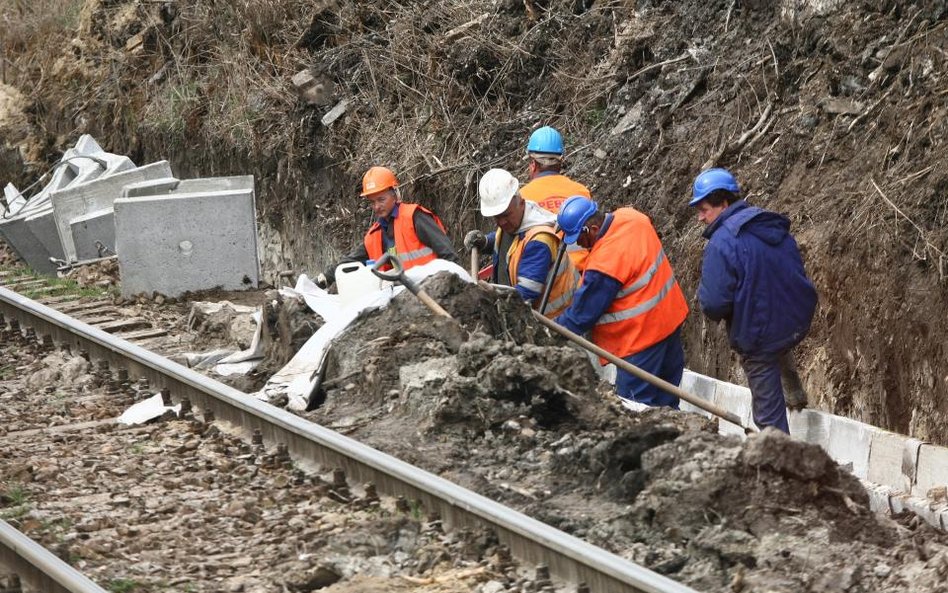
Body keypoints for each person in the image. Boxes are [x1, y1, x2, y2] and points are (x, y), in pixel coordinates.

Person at [690, 167, 817, 433]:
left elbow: (714, 303)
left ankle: (781, 459)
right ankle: (793, 391)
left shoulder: (722, 243)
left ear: (723, 202)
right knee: (774, 336)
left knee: (767, 410)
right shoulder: (769, 223)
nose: (700, 218)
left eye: (703, 210)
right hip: (795, 318)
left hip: (761, 335)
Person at [554, 196, 689, 408]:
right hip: (669, 325)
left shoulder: (605, 262)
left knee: (635, 409)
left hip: (639, 342)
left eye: (579, 238)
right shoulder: (633, 218)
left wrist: (552, 331)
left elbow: (581, 315)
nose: (578, 244)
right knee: (667, 404)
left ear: (593, 228)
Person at [463, 168, 578, 318]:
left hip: (555, 322)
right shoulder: (515, 222)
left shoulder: (539, 241)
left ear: (521, 203)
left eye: (505, 215)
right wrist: (485, 242)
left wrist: (490, 301)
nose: (501, 222)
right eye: (496, 218)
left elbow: (525, 293)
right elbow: (507, 242)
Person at [317, 166, 458, 287]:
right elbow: (350, 262)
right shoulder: (376, 234)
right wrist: (323, 278)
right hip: (404, 295)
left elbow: (448, 255)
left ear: (395, 194)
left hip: (432, 287)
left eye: (381, 199)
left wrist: (450, 286)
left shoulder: (415, 217)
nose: (377, 206)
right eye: (372, 202)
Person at [521, 126, 593, 270]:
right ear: (560, 162)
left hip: (546, 278)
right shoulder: (581, 192)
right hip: (584, 274)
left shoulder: (523, 197)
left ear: (533, 164)